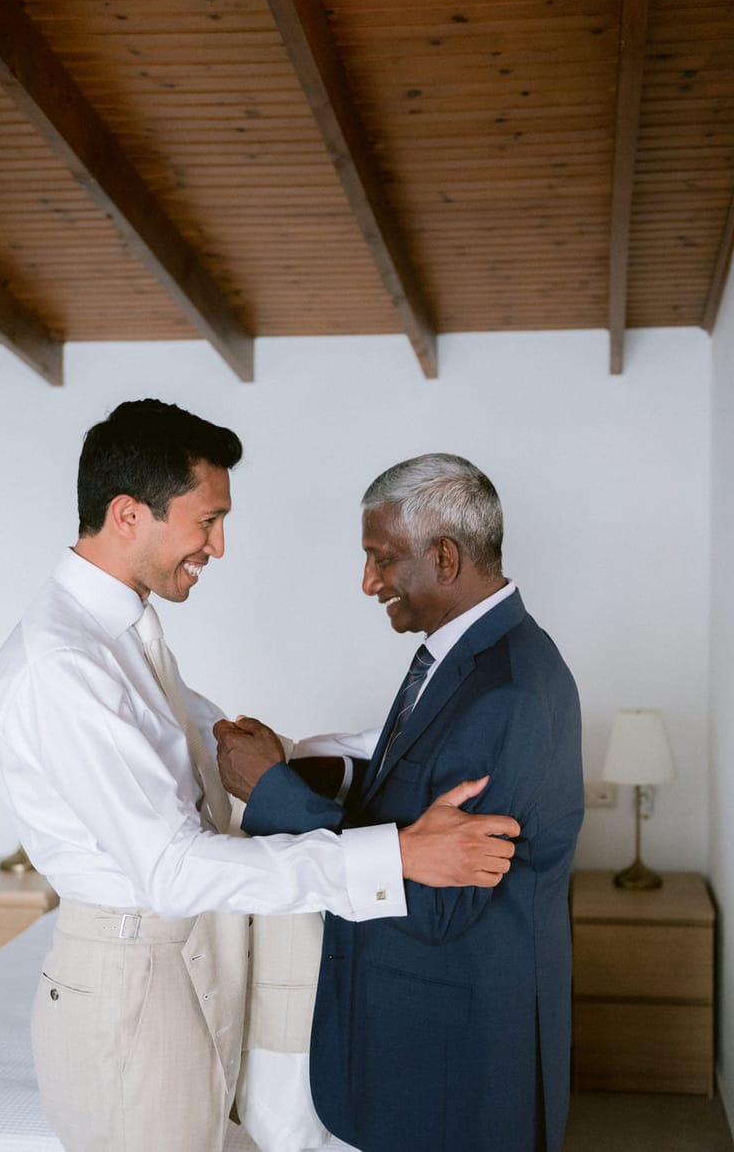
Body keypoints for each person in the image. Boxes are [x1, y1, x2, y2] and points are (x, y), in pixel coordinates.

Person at [0, 403, 520, 1152]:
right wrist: (395, 857)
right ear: (128, 514)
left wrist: (422, 739)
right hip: (128, 982)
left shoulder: (123, 636)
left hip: (185, 960)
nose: (220, 546)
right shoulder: (64, 664)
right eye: (208, 521)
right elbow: (172, 868)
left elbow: (241, 748)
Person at [216, 452, 584, 1152]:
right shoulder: (465, 659)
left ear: (444, 558)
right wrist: (304, 765)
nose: (367, 583)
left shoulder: (510, 690)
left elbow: (440, 895)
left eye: (380, 559)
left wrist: (271, 793)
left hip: (454, 1060)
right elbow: (417, 810)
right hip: (423, 1039)